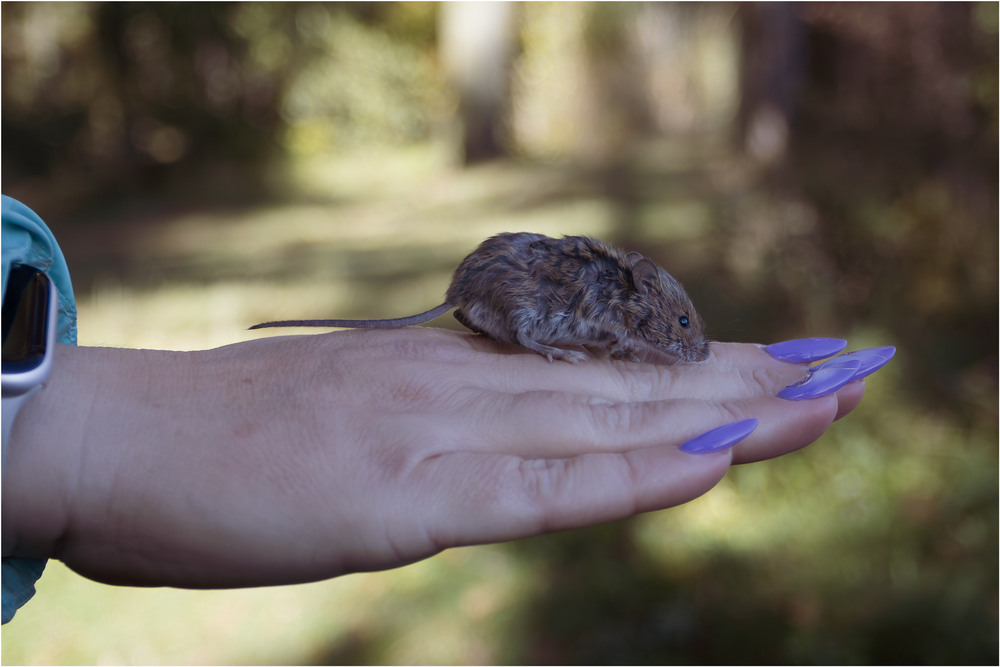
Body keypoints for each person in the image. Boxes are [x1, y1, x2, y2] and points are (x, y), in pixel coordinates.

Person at [1, 195, 885, 623]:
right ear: (656, 310)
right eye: (683, 329)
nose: (685, 341)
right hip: (502, 292)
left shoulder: (636, 308)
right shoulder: (616, 304)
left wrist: (56, 432)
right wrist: (64, 438)